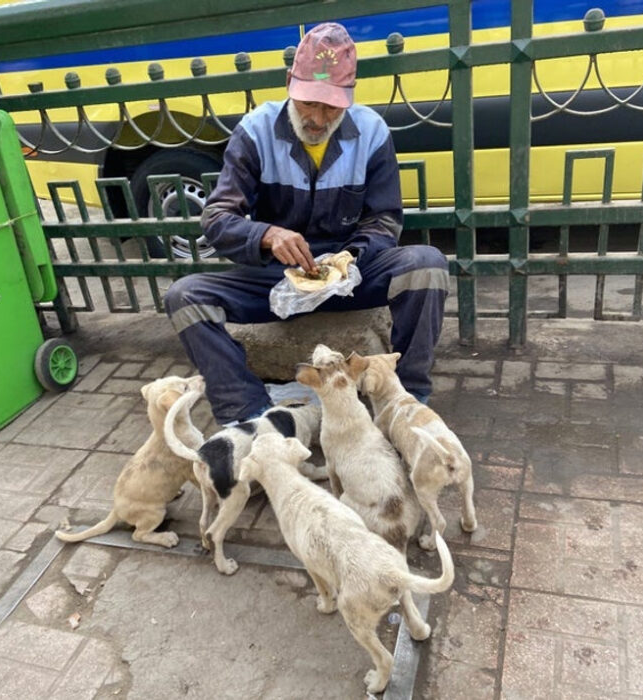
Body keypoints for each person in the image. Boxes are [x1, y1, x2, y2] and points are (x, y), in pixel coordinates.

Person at [164, 22, 449, 426]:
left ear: (349, 99)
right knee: (184, 297)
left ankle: (406, 401)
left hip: (350, 276)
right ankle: (248, 417)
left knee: (427, 266)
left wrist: (349, 259)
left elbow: (384, 220)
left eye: (331, 107)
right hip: (277, 279)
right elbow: (216, 218)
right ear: (289, 84)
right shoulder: (255, 131)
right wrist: (265, 235)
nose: (317, 118)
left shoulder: (371, 133)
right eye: (308, 103)